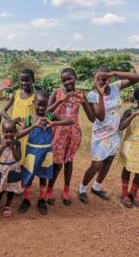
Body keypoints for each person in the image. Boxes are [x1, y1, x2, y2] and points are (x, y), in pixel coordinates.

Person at [78, 67, 139, 204]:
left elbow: (137, 77)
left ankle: (97, 187)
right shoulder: (92, 95)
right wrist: (101, 95)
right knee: (96, 164)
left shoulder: (115, 87)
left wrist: (114, 73)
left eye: (105, 77)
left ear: (109, 77)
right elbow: (100, 117)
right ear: (95, 78)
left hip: (116, 133)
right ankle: (82, 189)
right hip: (101, 134)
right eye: (99, 77)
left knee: (108, 161)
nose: (102, 80)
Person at [17, 90, 73, 215]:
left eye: (44, 104)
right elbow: (18, 134)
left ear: (48, 104)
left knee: (43, 177)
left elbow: (70, 121)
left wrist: (54, 123)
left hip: (46, 152)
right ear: (33, 103)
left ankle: (41, 199)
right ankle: (26, 199)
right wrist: (33, 126)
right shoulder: (29, 118)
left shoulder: (49, 116)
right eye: (39, 104)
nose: (41, 108)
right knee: (29, 177)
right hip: (32, 152)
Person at [46, 68, 95, 206]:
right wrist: (60, 103)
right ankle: (50, 188)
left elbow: (92, 118)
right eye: (64, 80)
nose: (67, 82)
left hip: (74, 133)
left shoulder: (81, 95)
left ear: (75, 77)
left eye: (69, 79)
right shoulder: (57, 92)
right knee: (57, 163)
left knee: (69, 161)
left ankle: (66, 190)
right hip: (58, 133)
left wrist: (84, 102)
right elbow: (46, 112)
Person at [0, 119, 23, 218]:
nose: (9, 134)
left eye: (11, 132)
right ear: (2, 131)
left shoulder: (17, 143)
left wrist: (12, 147)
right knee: (0, 189)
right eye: (6, 132)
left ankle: (8, 205)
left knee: (10, 189)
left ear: (15, 132)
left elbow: (18, 157)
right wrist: (3, 146)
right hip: (0, 169)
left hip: (12, 170)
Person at [1, 69, 35, 164]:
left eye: (27, 80)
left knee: (25, 159)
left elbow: (38, 116)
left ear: (33, 80)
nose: (24, 83)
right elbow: (3, 111)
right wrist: (11, 121)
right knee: (12, 156)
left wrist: (27, 122)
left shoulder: (35, 97)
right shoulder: (16, 94)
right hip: (13, 133)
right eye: (22, 80)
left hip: (27, 133)